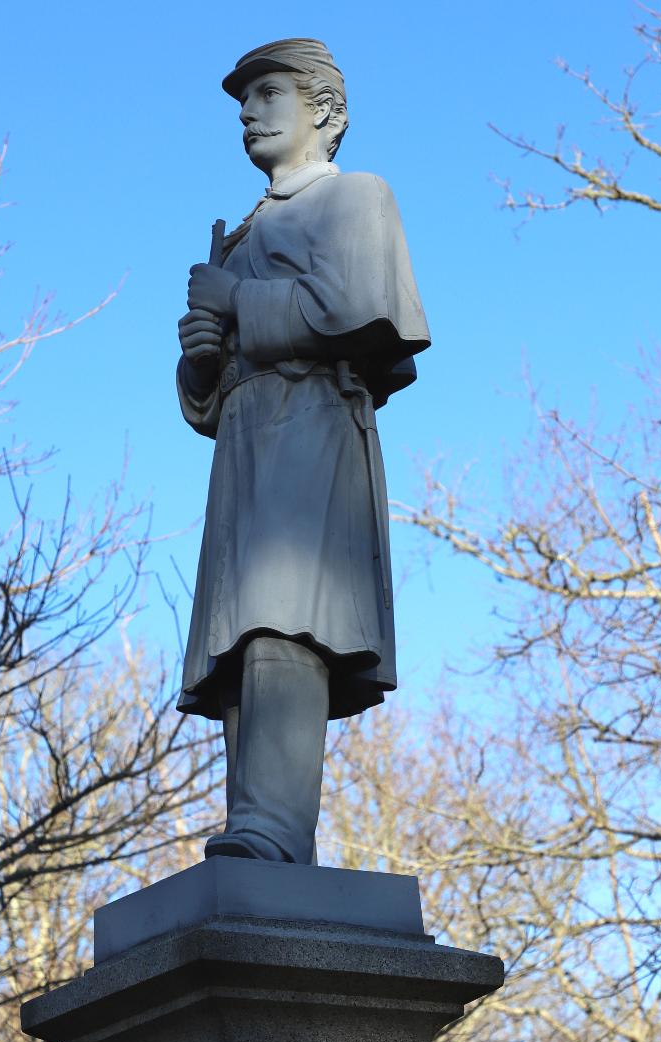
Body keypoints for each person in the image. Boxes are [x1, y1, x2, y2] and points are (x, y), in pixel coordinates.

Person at [176, 37, 430, 865]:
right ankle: (259, 830)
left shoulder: (355, 196)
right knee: (239, 638)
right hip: (246, 437)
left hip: (311, 424)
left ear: (322, 109)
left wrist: (239, 303)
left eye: (270, 93)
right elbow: (205, 402)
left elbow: (360, 309)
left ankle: (274, 832)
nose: (249, 112)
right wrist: (202, 352)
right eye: (244, 100)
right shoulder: (246, 229)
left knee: (285, 618)